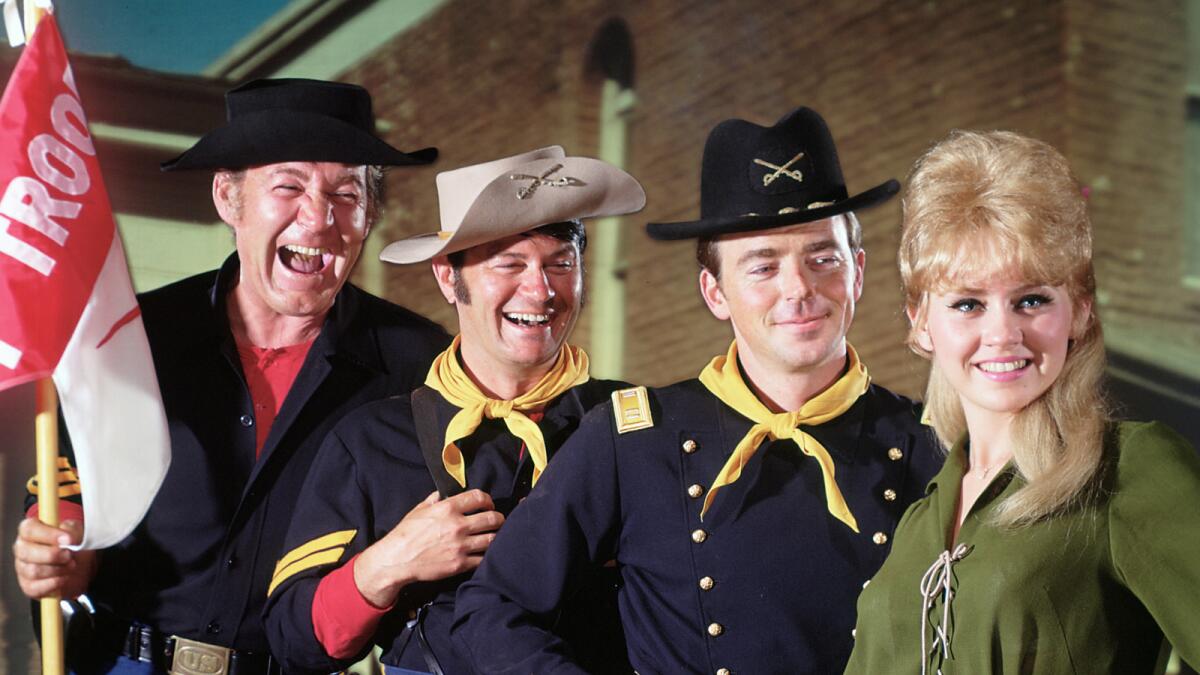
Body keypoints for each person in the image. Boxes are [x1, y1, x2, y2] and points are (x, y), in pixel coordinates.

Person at [452, 107, 943, 674]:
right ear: (715, 292)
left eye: (822, 258)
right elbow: (492, 609)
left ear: (857, 271)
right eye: (762, 266)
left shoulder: (929, 440)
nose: (799, 289)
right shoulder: (633, 438)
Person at [12, 78, 449, 674]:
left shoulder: (419, 365)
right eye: (288, 186)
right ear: (228, 197)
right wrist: (65, 552)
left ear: (369, 214)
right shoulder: (131, 339)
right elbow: (70, 509)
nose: (318, 217)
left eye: (347, 193)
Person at [262, 146, 646, 675]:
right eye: (509, 263)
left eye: (561, 264)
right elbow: (292, 639)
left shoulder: (636, 422)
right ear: (448, 275)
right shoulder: (371, 440)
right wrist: (387, 565)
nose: (539, 289)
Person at [843, 130, 1200, 674]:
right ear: (921, 325)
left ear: (1078, 311)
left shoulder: (1128, 469)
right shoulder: (920, 518)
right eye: (968, 304)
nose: (1002, 333)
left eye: (1031, 299)